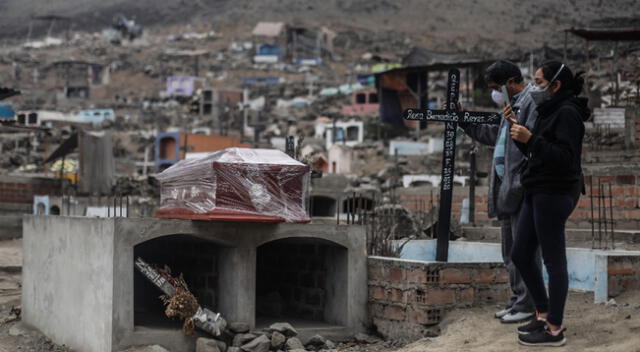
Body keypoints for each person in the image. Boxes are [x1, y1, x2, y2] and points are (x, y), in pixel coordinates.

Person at [508, 61, 589, 346]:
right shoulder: (549, 110)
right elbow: (537, 152)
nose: (535, 88)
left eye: (540, 83)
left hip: (555, 193)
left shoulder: (567, 113)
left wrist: (530, 139)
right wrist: (519, 134)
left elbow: (566, 159)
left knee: (553, 261)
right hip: (538, 188)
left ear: (555, 86)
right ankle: (542, 312)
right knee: (520, 253)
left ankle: (554, 329)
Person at [459, 60, 541, 324]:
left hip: (521, 189)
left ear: (510, 83)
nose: (495, 93)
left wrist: (520, 183)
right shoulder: (513, 106)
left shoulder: (530, 103)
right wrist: (464, 122)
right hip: (508, 191)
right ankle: (519, 300)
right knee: (510, 251)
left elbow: (530, 144)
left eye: (496, 87)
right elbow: (497, 136)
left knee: (524, 251)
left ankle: (529, 304)